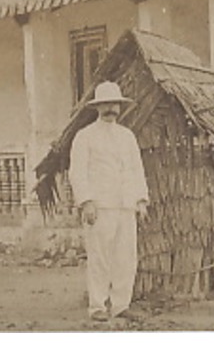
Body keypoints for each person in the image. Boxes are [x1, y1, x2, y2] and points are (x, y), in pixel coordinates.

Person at [68, 81, 151, 321]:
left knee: (126, 257)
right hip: (100, 206)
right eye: (105, 104)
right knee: (99, 256)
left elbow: (136, 169)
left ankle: (120, 305)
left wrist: (141, 200)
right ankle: (97, 306)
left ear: (119, 106)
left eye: (114, 104)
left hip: (125, 205)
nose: (110, 109)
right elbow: (78, 172)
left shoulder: (127, 136)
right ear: (97, 107)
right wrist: (86, 201)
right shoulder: (84, 136)